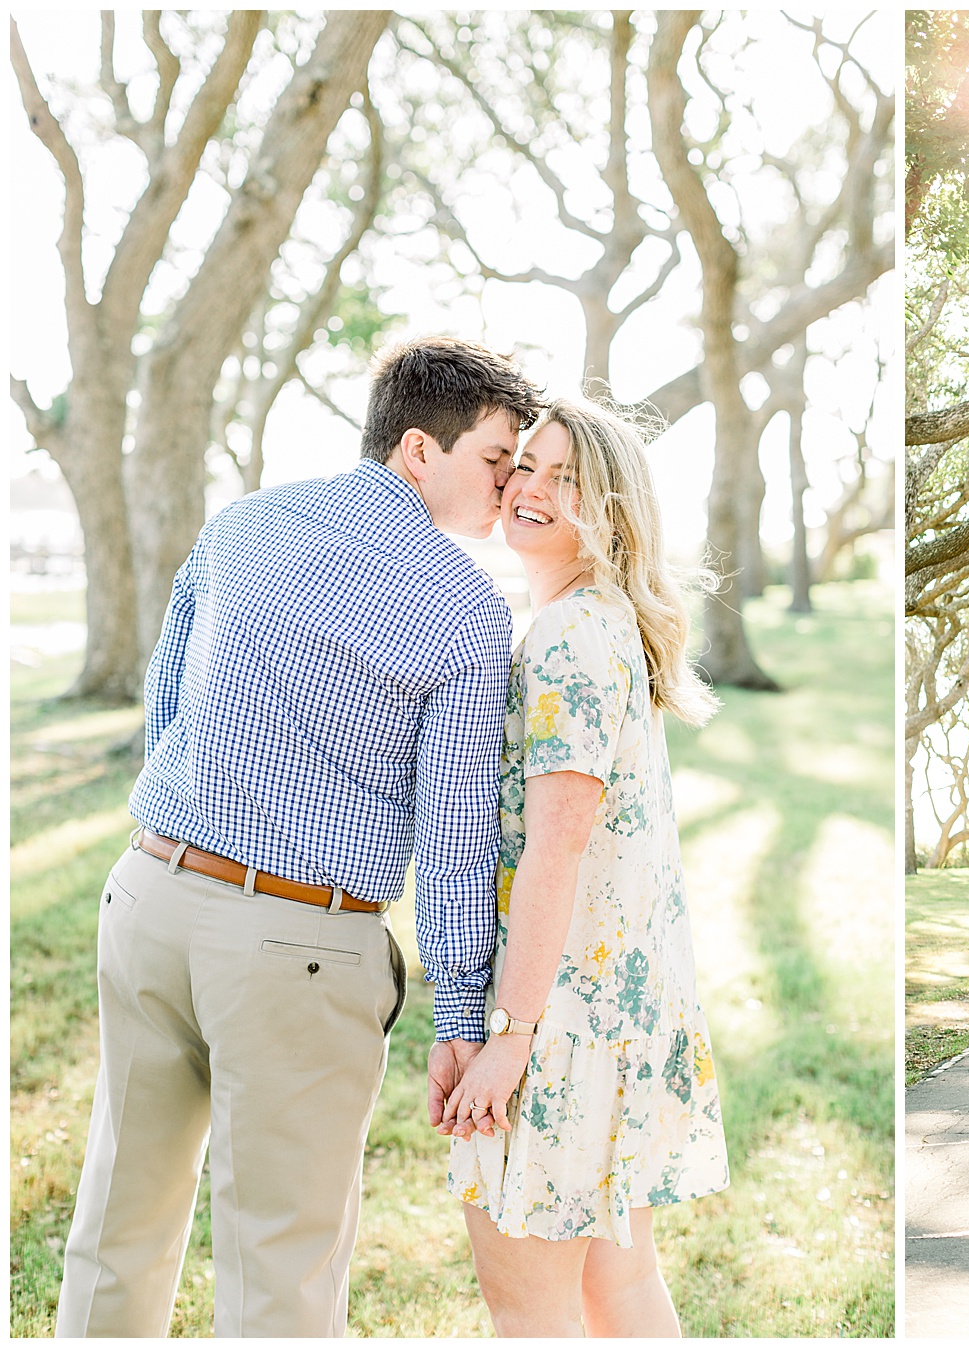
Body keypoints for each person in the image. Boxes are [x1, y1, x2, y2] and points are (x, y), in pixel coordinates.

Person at [55, 338, 544, 1336]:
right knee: (281, 1260)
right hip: (298, 949)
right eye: (497, 458)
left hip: (147, 896)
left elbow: (169, 695)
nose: (511, 483)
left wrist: (186, 821)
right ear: (420, 449)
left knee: (117, 1219)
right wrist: (463, 1017)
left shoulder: (243, 524)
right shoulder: (464, 610)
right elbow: (455, 839)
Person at [440, 396, 730, 1337]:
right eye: (526, 464)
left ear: (610, 509)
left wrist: (512, 1038)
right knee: (620, 1289)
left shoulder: (569, 639)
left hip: (562, 1023)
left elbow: (557, 849)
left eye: (566, 479)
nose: (530, 488)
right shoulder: (602, 622)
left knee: (528, 1314)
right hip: (619, 1014)